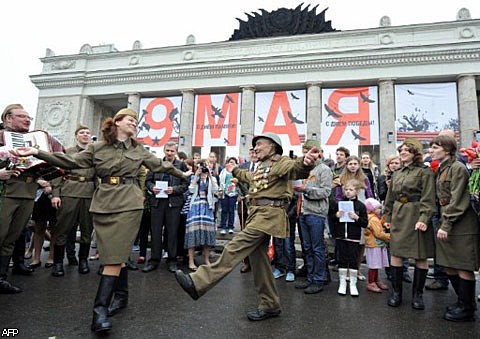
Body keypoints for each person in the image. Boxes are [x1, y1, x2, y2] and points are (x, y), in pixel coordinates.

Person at [13, 108, 191, 333]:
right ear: (116, 122)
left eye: (136, 121)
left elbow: (160, 165)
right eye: (130, 119)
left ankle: (99, 311)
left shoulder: (139, 150)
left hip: (129, 203)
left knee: (113, 258)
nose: (135, 123)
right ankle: (122, 295)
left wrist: (182, 173)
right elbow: (69, 161)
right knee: (113, 254)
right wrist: (37, 152)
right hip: (104, 203)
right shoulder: (97, 148)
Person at [175, 132, 320, 321]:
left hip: (269, 215)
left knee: (235, 247)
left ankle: (198, 281)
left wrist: (306, 162)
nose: (256, 148)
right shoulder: (262, 167)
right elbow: (249, 177)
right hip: (257, 214)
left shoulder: (281, 162)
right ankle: (270, 305)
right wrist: (234, 170)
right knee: (259, 262)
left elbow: (296, 168)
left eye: (260, 144)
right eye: (255, 145)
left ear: (273, 147)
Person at [0, 104, 63, 294]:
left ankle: (1, 277)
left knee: (12, 237)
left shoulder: (33, 140)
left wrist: (44, 174)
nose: (27, 120)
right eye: (21, 116)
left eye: (28, 118)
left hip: (27, 192)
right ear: (8, 118)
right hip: (6, 192)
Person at [430, 135, 479, 321]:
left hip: (461, 224)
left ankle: (467, 308)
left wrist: (447, 223)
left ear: (448, 150)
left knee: (462, 265)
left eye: (436, 147)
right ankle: (462, 301)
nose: (432, 150)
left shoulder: (457, 168)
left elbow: (459, 199)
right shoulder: (443, 168)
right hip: (447, 221)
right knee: (449, 264)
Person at [384, 138, 436, 310]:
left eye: (407, 150)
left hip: (416, 215)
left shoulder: (425, 172)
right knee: (397, 254)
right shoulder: (397, 173)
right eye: (401, 150)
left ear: (415, 153)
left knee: (420, 256)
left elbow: (429, 198)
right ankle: (396, 293)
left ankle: (417, 295)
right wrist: (388, 218)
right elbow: (390, 199)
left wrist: (424, 219)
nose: (402, 152)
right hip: (399, 214)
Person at [50, 125, 96, 277]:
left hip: (89, 193)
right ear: (76, 136)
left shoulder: (95, 153)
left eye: (88, 133)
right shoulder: (68, 152)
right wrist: (55, 194)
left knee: (87, 228)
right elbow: (58, 173)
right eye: (82, 133)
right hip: (70, 191)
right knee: (62, 227)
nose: (85, 135)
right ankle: (58, 263)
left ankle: (83, 260)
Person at [143, 141, 188, 273]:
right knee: (155, 231)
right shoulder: (156, 164)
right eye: (167, 150)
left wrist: (174, 189)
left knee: (172, 232)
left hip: (173, 203)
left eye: (172, 151)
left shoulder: (181, 165)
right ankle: (154, 260)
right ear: (164, 150)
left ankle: (172, 260)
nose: (169, 153)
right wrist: (153, 188)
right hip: (157, 202)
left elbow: (186, 185)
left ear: (176, 152)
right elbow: (148, 181)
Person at [294, 140, 332, 294]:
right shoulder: (303, 169)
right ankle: (310, 277)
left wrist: (306, 189)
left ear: (319, 153)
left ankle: (319, 279)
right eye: (305, 151)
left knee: (317, 248)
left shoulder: (324, 169)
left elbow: (326, 191)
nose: (307, 154)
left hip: (316, 213)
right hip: (303, 211)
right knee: (307, 248)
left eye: (310, 151)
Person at [377, 155, 412, 283]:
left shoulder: (406, 177)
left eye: (397, 163)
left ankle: (404, 270)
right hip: (389, 211)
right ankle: (390, 271)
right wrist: (388, 187)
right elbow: (381, 195)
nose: (394, 165)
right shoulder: (382, 177)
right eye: (392, 163)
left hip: (403, 211)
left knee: (404, 240)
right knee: (389, 241)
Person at [332, 179, 368, 297]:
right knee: (342, 259)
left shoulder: (361, 206)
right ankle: (342, 283)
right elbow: (333, 219)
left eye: (351, 190)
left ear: (357, 191)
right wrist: (336, 216)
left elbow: (365, 223)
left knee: (353, 260)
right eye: (346, 190)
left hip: (354, 237)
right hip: (341, 236)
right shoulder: (339, 204)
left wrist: (356, 218)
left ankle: (353, 284)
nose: (348, 192)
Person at [184, 159, 218, 271]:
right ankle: (191, 261)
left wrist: (210, 174)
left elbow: (215, 190)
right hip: (195, 207)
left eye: (206, 166)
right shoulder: (195, 177)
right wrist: (196, 175)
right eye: (201, 166)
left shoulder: (211, 178)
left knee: (207, 233)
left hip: (207, 207)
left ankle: (207, 260)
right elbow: (191, 189)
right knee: (192, 234)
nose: (203, 168)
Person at [237, 147, 257, 273]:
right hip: (243, 204)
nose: (254, 155)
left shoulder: (264, 167)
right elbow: (237, 182)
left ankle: (258, 262)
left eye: (256, 152)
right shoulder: (243, 166)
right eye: (251, 153)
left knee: (256, 234)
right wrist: (240, 194)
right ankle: (246, 262)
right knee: (244, 233)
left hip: (257, 205)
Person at [363, 198, 390, 293]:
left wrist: (384, 223)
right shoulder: (373, 219)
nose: (380, 210)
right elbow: (378, 233)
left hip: (376, 244)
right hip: (374, 244)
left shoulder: (374, 218)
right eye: (378, 208)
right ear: (372, 210)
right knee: (374, 265)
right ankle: (371, 282)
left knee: (376, 264)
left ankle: (376, 280)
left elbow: (379, 223)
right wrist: (389, 236)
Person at [218, 157, 239, 235]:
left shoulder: (237, 172)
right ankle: (223, 227)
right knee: (224, 210)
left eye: (233, 162)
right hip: (225, 193)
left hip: (233, 193)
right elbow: (221, 182)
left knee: (231, 210)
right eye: (230, 162)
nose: (231, 164)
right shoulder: (224, 171)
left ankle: (230, 227)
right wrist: (220, 190)